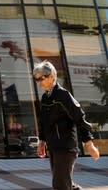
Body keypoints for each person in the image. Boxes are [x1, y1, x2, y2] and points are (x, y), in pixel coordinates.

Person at [34, 60, 100, 190]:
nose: (39, 82)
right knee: (63, 181)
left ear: (52, 76)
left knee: (60, 183)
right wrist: (41, 142)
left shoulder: (63, 95)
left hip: (65, 146)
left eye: (42, 78)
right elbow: (43, 121)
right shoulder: (45, 97)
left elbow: (79, 117)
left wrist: (89, 144)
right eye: (37, 79)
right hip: (54, 146)